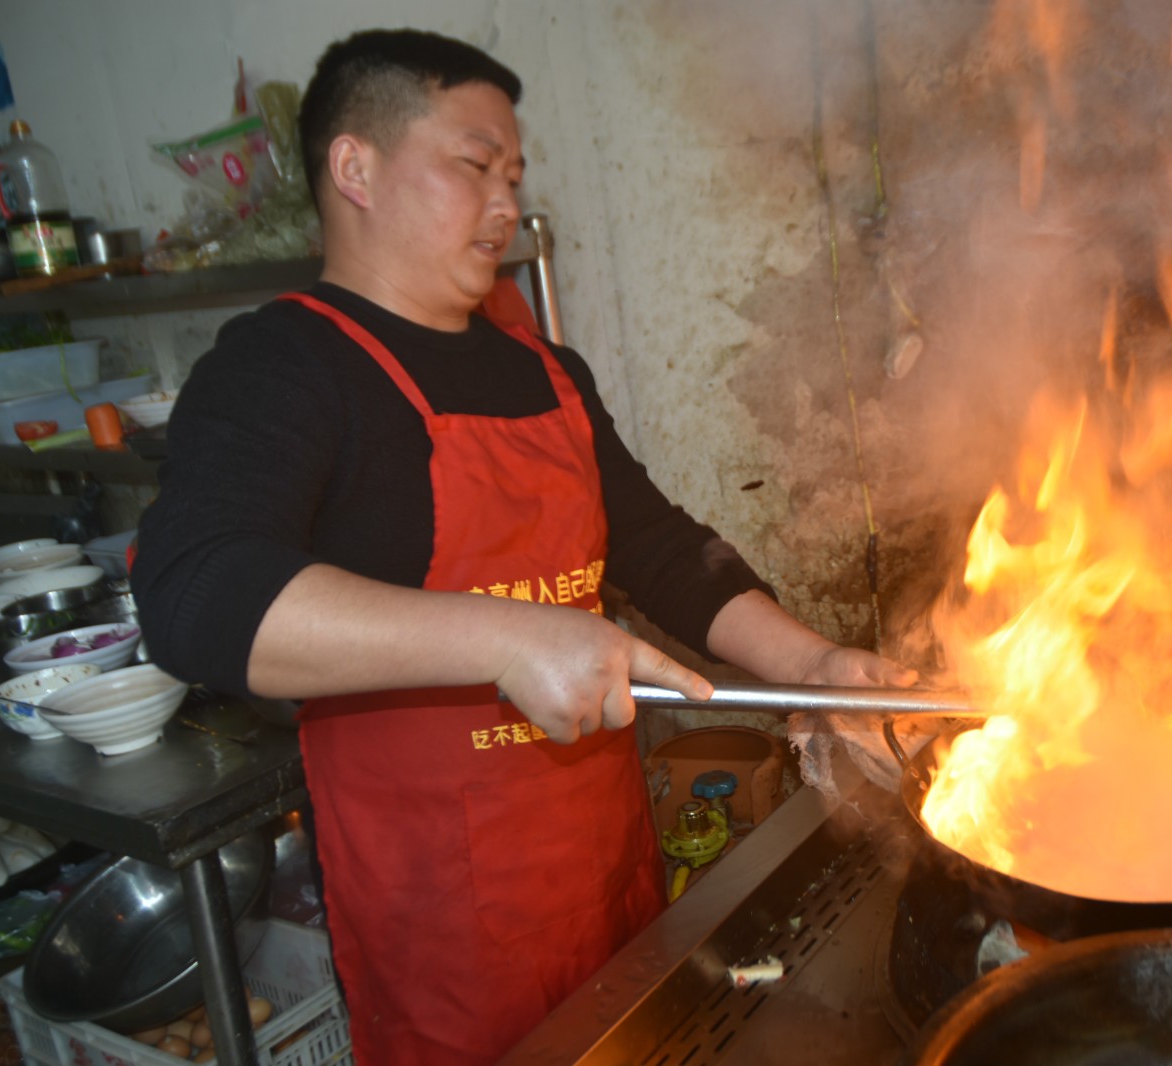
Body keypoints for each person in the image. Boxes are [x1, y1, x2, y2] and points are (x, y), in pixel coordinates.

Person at [130, 27, 911, 1066]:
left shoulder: (543, 370)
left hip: (603, 872)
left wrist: (811, 668)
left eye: (514, 173)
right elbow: (195, 593)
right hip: (439, 927)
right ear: (353, 167)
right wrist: (506, 639)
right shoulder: (284, 365)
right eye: (471, 166)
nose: (504, 203)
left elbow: (663, 550)